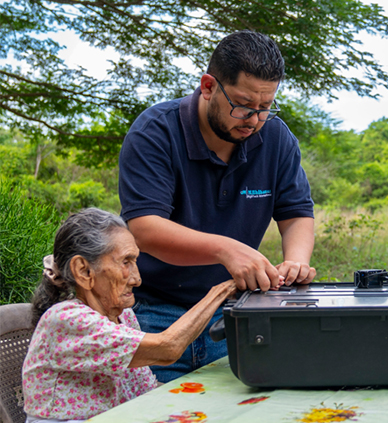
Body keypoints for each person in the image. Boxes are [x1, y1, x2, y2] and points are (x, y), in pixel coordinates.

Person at [118, 30, 316, 381]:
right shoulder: (155, 132)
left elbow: (296, 213)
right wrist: (227, 250)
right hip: (156, 314)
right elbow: (144, 229)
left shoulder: (276, 138)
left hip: (235, 312)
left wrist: (297, 262)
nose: (253, 120)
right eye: (243, 105)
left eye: (265, 108)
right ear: (208, 86)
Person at [23, 208, 236, 422]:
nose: (137, 279)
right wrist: (223, 291)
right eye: (126, 262)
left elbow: (144, 391)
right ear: (83, 271)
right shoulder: (67, 319)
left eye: (135, 261)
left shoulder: (124, 315)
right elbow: (167, 348)